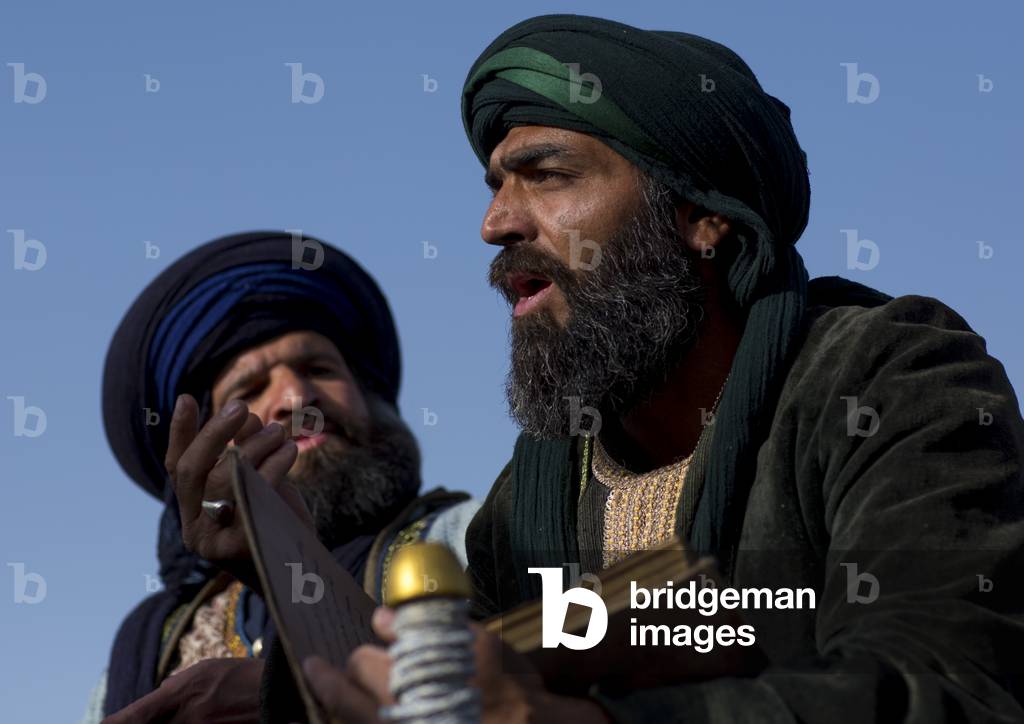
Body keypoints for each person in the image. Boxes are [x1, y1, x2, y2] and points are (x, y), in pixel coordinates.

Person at [302, 14, 1024, 723]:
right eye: (495, 186)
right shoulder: (525, 503)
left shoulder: (890, 379)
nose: (495, 223)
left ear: (701, 216)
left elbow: (944, 688)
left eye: (546, 176)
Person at [86, 231, 478, 723]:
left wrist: (285, 691)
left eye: (318, 367)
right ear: (197, 453)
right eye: (249, 389)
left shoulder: (470, 539)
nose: (296, 398)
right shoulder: (153, 648)